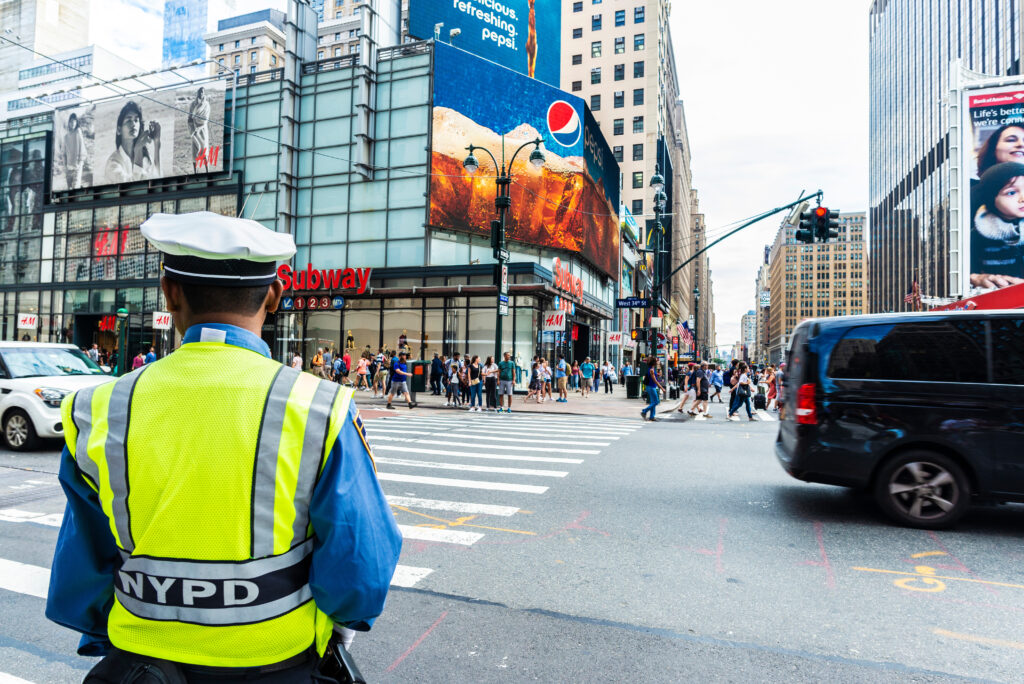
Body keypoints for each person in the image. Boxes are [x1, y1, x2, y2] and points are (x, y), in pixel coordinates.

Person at [47, 211, 401, 679]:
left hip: (141, 665)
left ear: (169, 292)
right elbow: (361, 567)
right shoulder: (320, 405)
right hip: (278, 662)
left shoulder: (99, 407)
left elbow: (84, 566)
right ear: (274, 295)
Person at [970, 161, 1024, 288]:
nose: (1023, 198)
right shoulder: (979, 234)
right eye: (1011, 192)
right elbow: (970, 272)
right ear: (991, 199)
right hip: (1000, 299)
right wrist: (976, 278)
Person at [104, 101, 160, 184]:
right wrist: (138, 151)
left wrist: (157, 142)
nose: (133, 124)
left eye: (136, 120)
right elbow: (133, 188)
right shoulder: (113, 163)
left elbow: (158, 179)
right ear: (119, 130)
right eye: (129, 121)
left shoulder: (146, 157)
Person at [188, 86, 211, 173]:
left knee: (204, 149)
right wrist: (192, 128)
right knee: (195, 151)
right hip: (194, 130)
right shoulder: (193, 104)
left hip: (202, 130)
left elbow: (205, 119)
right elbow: (189, 117)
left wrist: (198, 124)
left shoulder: (206, 105)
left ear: (204, 93)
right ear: (197, 93)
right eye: (199, 92)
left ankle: (207, 170)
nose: (201, 93)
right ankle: (195, 172)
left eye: (202, 92)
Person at [62, 113, 85, 189]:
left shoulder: (78, 132)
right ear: (69, 123)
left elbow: (81, 146)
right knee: (70, 189)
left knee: (75, 188)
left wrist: (80, 162)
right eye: (71, 121)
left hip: (77, 166)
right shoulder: (65, 137)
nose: (73, 123)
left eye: (75, 121)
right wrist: (65, 166)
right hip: (68, 168)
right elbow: (64, 153)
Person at [640, 356, 664, 422]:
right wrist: (662, 388)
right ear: (654, 362)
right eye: (656, 361)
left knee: (653, 402)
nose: (657, 362)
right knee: (656, 401)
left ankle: (652, 416)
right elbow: (655, 381)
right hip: (651, 387)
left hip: (651, 387)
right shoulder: (651, 370)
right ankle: (644, 411)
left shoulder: (652, 369)